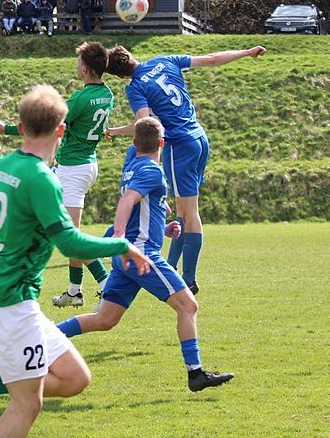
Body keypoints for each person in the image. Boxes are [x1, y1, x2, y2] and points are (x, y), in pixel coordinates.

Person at [0, 84, 152, 438]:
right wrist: (120, 245)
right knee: (27, 404)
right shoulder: (42, 179)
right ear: (61, 130)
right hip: (9, 302)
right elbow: (68, 241)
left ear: (22, 127)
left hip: (9, 298)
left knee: (74, 378)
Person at [55, 117, 234, 392]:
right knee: (188, 306)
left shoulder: (133, 166)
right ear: (162, 143)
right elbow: (128, 201)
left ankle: (45, 337)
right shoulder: (151, 170)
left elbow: (141, 207)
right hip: (140, 254)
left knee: (105, 319)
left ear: (134, 143)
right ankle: (195, 373)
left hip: (127, 255)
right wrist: (118, 236)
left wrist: (163, 228)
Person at [105, 44, 267, 294]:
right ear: (130, 55)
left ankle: (188, 280)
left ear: (119, 75)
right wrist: (246, 53)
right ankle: (171, 267)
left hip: (179, 145)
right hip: (199, 138)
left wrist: (115, 131)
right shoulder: (165, 60)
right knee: (182, 211)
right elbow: (212, 59)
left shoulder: (135, 87)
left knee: (190, 214)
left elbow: (146, 124)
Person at [0, 42, 115, 308]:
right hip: (84, 165)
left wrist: (5, 129)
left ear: (85, 69)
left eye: (79, 61)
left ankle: (108, 286)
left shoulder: (80, 99)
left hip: (73, 169)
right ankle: (75, 291)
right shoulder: (108, 94)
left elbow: (45, 126)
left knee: (70, 237)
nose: (77, 65)